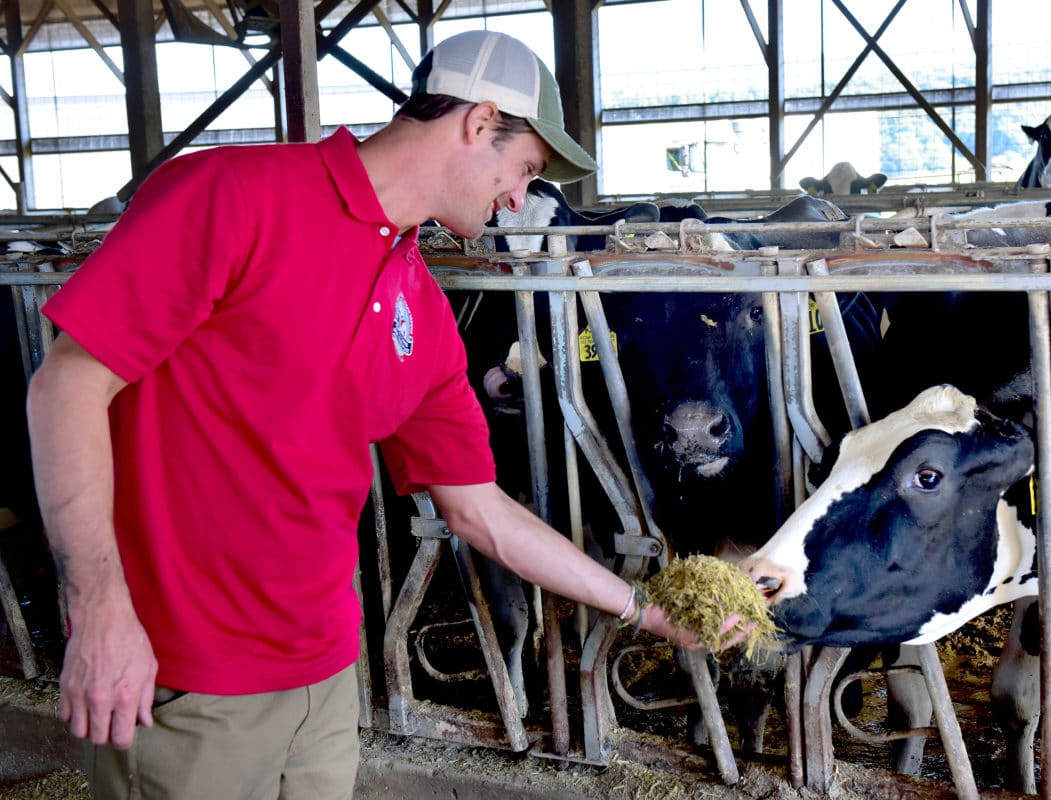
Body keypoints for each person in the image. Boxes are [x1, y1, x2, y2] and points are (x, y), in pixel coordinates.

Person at [25, 29, 742, 800]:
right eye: (525, 167)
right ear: (478, 122)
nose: (519, 196)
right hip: (188, 684)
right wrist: (97, 610)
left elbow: (480, 511)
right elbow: (66, 386)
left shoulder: (423, 312)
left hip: (329, 681)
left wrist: (644, 608)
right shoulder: (234, 194)